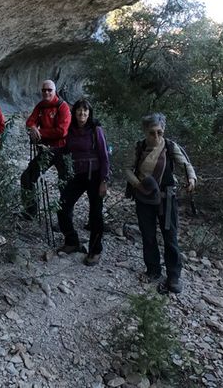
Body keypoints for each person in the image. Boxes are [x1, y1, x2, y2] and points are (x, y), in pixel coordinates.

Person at [125, 113, 196, 294]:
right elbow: (127, 168)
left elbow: (185, 164)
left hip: (167, 199)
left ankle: (173, 276)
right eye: (152, 133)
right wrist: (138, 185)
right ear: (145, 132)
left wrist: (192, 178)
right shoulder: (139, 147)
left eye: (159, 132)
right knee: (148, 236)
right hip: (144, 198)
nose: (156, 137)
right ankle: (153, 270)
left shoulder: (170, 146)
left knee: (170, 237)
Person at [54, 99, 110, 266]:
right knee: (62, 206)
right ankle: (72, 241)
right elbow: (65, 149)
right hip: (77, 175)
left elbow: (104, 156)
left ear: (89, 113)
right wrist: (49, 150)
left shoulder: (95, 130)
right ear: (75, 112)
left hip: (94, 175)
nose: (82, 114)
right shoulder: (71, 130)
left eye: (85, 111)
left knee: (95, 214)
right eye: (79, 110)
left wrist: (104, 180)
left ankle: (95, 250)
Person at [20, 79, 72, 217]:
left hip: (62, 150)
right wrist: (32, 127)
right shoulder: (41, 106)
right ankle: (30, 211)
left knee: (64, 184)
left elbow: (62, 131)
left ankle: (65, 218)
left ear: (55, 91)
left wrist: (40, 132)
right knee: (27, 177)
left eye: (49, 90)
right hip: (46, 149)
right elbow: (30, 121)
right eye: (44, 90)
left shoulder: (63, 107)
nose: (46, 92)